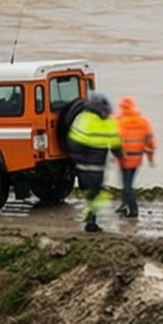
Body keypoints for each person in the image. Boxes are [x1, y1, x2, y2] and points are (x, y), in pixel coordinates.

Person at [68, 93, 121, 233]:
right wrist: (120, 156)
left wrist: (76, 158)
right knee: (96, 194)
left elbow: (73, 143)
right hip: (93, 166)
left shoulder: (82, 119)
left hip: (88, 166)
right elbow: (116, 144)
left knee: (94, 194)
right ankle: (90, 221)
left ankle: (90, 218)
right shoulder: (106, 121)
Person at [115, 95, 156, 219]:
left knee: (127, 185)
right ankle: (124, 205)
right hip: (137, 159)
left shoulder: (117, 121)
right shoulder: (144, 122)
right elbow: (150, 143)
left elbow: (114, 141)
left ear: (121, 107)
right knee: (128, 183)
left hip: (124, 158)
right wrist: (150, 158)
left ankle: (133, 210)